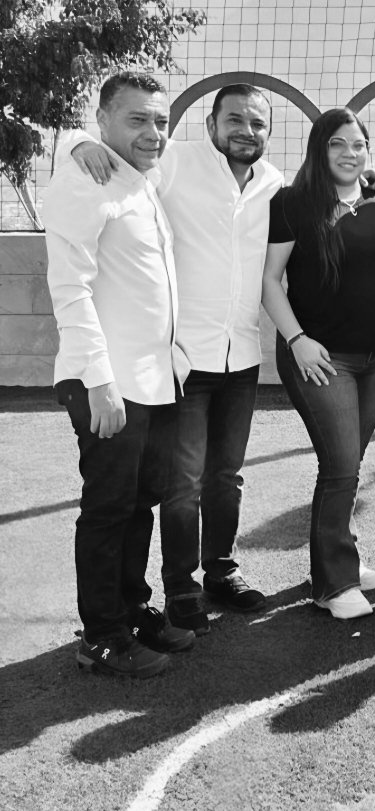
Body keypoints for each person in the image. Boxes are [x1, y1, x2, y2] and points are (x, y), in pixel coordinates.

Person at [63, 84, 283, 635]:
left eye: (258, 124)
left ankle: (220, 573)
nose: (246, 131)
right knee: (180, 486)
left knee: (225, 478)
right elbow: (114, 159)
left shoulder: (272, 183)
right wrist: (74, 141)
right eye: (234, 120)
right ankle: (180, 591)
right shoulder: (175, 161)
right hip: (185, 361)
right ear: (211, 125)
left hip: (241, 356)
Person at [46, 71, 194, 676]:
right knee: (109, 509)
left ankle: (131, 612)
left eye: (160, 120)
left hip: (154, 381)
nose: (153, 132)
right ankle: (102, 637)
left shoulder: (142, 179)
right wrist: (99, 381)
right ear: (102, 119)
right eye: (137, 119)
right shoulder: (85, 177)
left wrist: (77, 139)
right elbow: (70, 286)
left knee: (139, 505)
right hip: (107, 383)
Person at [261, 108, 375, 619]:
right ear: (319, 150)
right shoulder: (293, 203)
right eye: (338, 144)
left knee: (348, 463)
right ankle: (333, 584)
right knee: (342, 464)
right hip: (321, 358)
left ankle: (341, 555)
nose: (349, 153)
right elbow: (269, 280)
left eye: (358, 144)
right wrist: (297, 339)